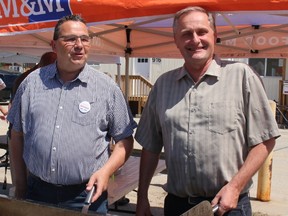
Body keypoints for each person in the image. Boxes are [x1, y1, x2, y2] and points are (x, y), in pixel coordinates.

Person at [135, 6, 280, 216]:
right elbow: (150, 147)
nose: (195, 40)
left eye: (202, 32)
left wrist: (235, 187)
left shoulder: (242, 77)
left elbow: (265, 140)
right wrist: (142, 198)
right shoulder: (163, 85)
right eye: (186, 34)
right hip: (177, 206)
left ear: (215, 35)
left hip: (228, 206)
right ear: (176, 40)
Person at [7, 14, 136, 214]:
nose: (79, 45)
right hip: (36, 192)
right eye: (70, 39)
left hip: (86, 196)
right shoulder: (31, 84)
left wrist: (106, 172)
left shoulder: (107, 88)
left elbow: (125, 140)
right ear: (53, 45)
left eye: (85, 39)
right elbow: (16, 136)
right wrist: (21, 186)